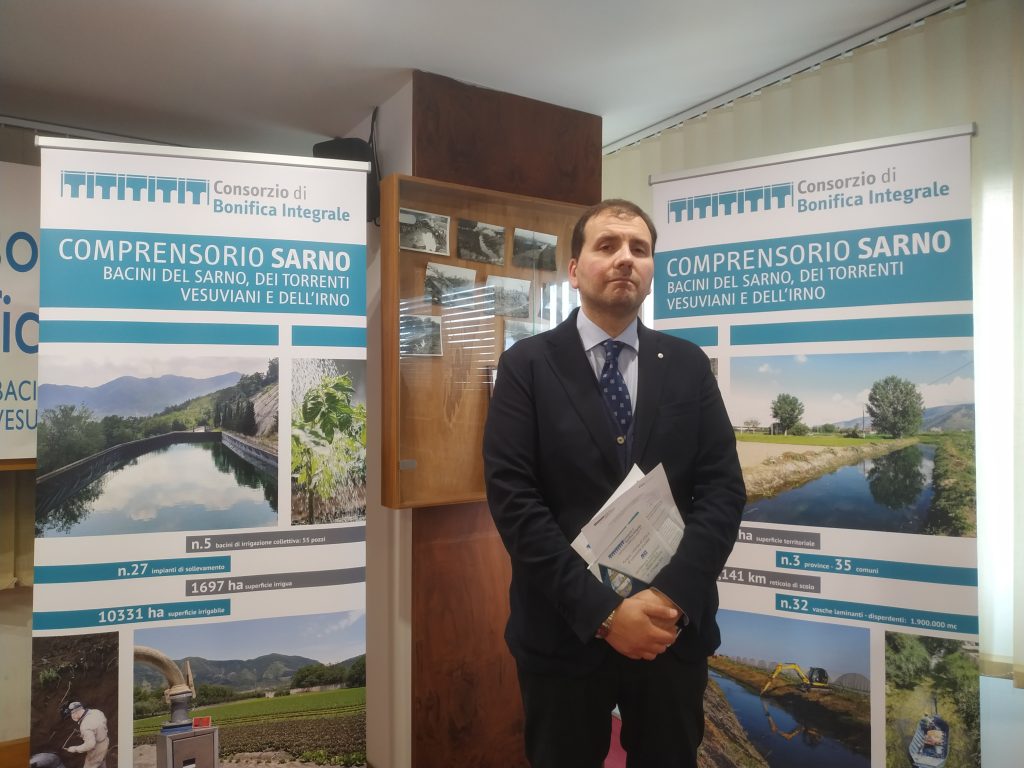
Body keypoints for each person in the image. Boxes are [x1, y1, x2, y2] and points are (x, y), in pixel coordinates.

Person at [483, 199, 745, 768]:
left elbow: (722, 491)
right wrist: (604, 614)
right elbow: (514, 501)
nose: (626, 258)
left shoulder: (687, 365)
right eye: (607, 245)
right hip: (563, 633)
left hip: (668, 632)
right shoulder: (526, 366)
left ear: (651, 269)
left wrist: (669, 597)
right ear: (575, 270)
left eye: (639, 249)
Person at [64, 701, 109, 768]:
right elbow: (102, 724)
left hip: (97, 749)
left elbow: (90, 745)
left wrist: (75, 749)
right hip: (105, 741)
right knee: (101, 761)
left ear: (76, 713)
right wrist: (90, 734)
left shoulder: (85, 726)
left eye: (71, 714)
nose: (71, 716)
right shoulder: (96, 712)